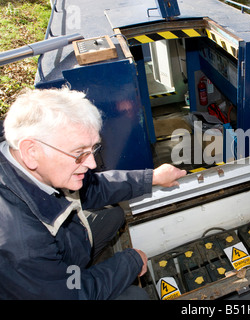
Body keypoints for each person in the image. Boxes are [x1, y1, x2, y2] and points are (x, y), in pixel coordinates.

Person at [0, 87, 186, 299]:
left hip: (60, 255)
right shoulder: (19, 242)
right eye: (79, 153)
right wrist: (130, 262)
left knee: (114, 215)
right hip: (52, 290)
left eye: (93, 150)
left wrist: (151, 178)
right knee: (136, 296)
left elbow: (93, 187)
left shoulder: (29, 162)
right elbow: (70, 295)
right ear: (31, 151)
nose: (91, 163)